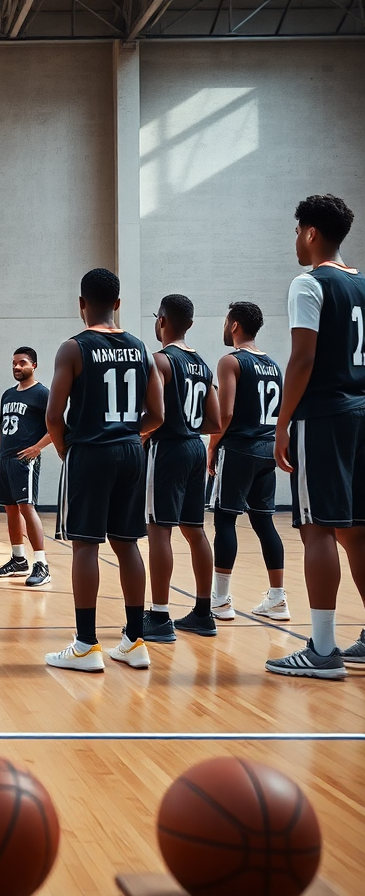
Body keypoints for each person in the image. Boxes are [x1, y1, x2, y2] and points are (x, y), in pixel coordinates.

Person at [45, 268, 164, 672]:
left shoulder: (73, 348)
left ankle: (85, 645)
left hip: (90, 452)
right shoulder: (141, 348)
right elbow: (158, 415)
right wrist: (129, 436)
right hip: (132, 451)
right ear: (117, 303)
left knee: (85, 545)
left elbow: (53, 416)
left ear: (81, 304)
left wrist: (66, 450)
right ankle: (135, 641)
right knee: (127, 544)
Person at [270, 194, 365, 679]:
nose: (295, 242)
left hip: (324, 415)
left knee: (317, 528)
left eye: (296, 232)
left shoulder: (309, 283)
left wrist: (282, 423)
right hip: (361, 413)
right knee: (357, 530)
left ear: (310, 233)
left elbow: (303, 359)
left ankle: (323, 650)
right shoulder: (363, 283)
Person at [144, 294, 221, 642]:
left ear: (161, 320)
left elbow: (153, 415)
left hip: (168, 449)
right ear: (188, 324)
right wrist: (189, 425)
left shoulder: (161, 360)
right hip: (195, 449)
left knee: (159, 531)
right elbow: (215, 422)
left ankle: (160, 616)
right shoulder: (203, 364)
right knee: (195, 530)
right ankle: (204, 613)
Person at [206, 302, 288, 624]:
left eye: (226, 321)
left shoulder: (231, 361)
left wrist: (212, 445)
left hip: (239, 449)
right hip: (267, 450)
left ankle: (220, 601)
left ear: (235, 325)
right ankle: (278, 598)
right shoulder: (273, 365)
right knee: (264, 523)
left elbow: (225, 413)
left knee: (225, 520)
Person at [0, 346, 52, 586]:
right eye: (14, 363)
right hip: (5, 460)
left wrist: (37, 448)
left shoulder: (42, 394)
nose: (16, 366)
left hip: (25, 460)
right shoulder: (7, 394)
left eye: (22, 362)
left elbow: (57, 426)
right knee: (11, 509)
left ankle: (42, 564)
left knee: (27, 507)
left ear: (34, 365)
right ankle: (18, 559)